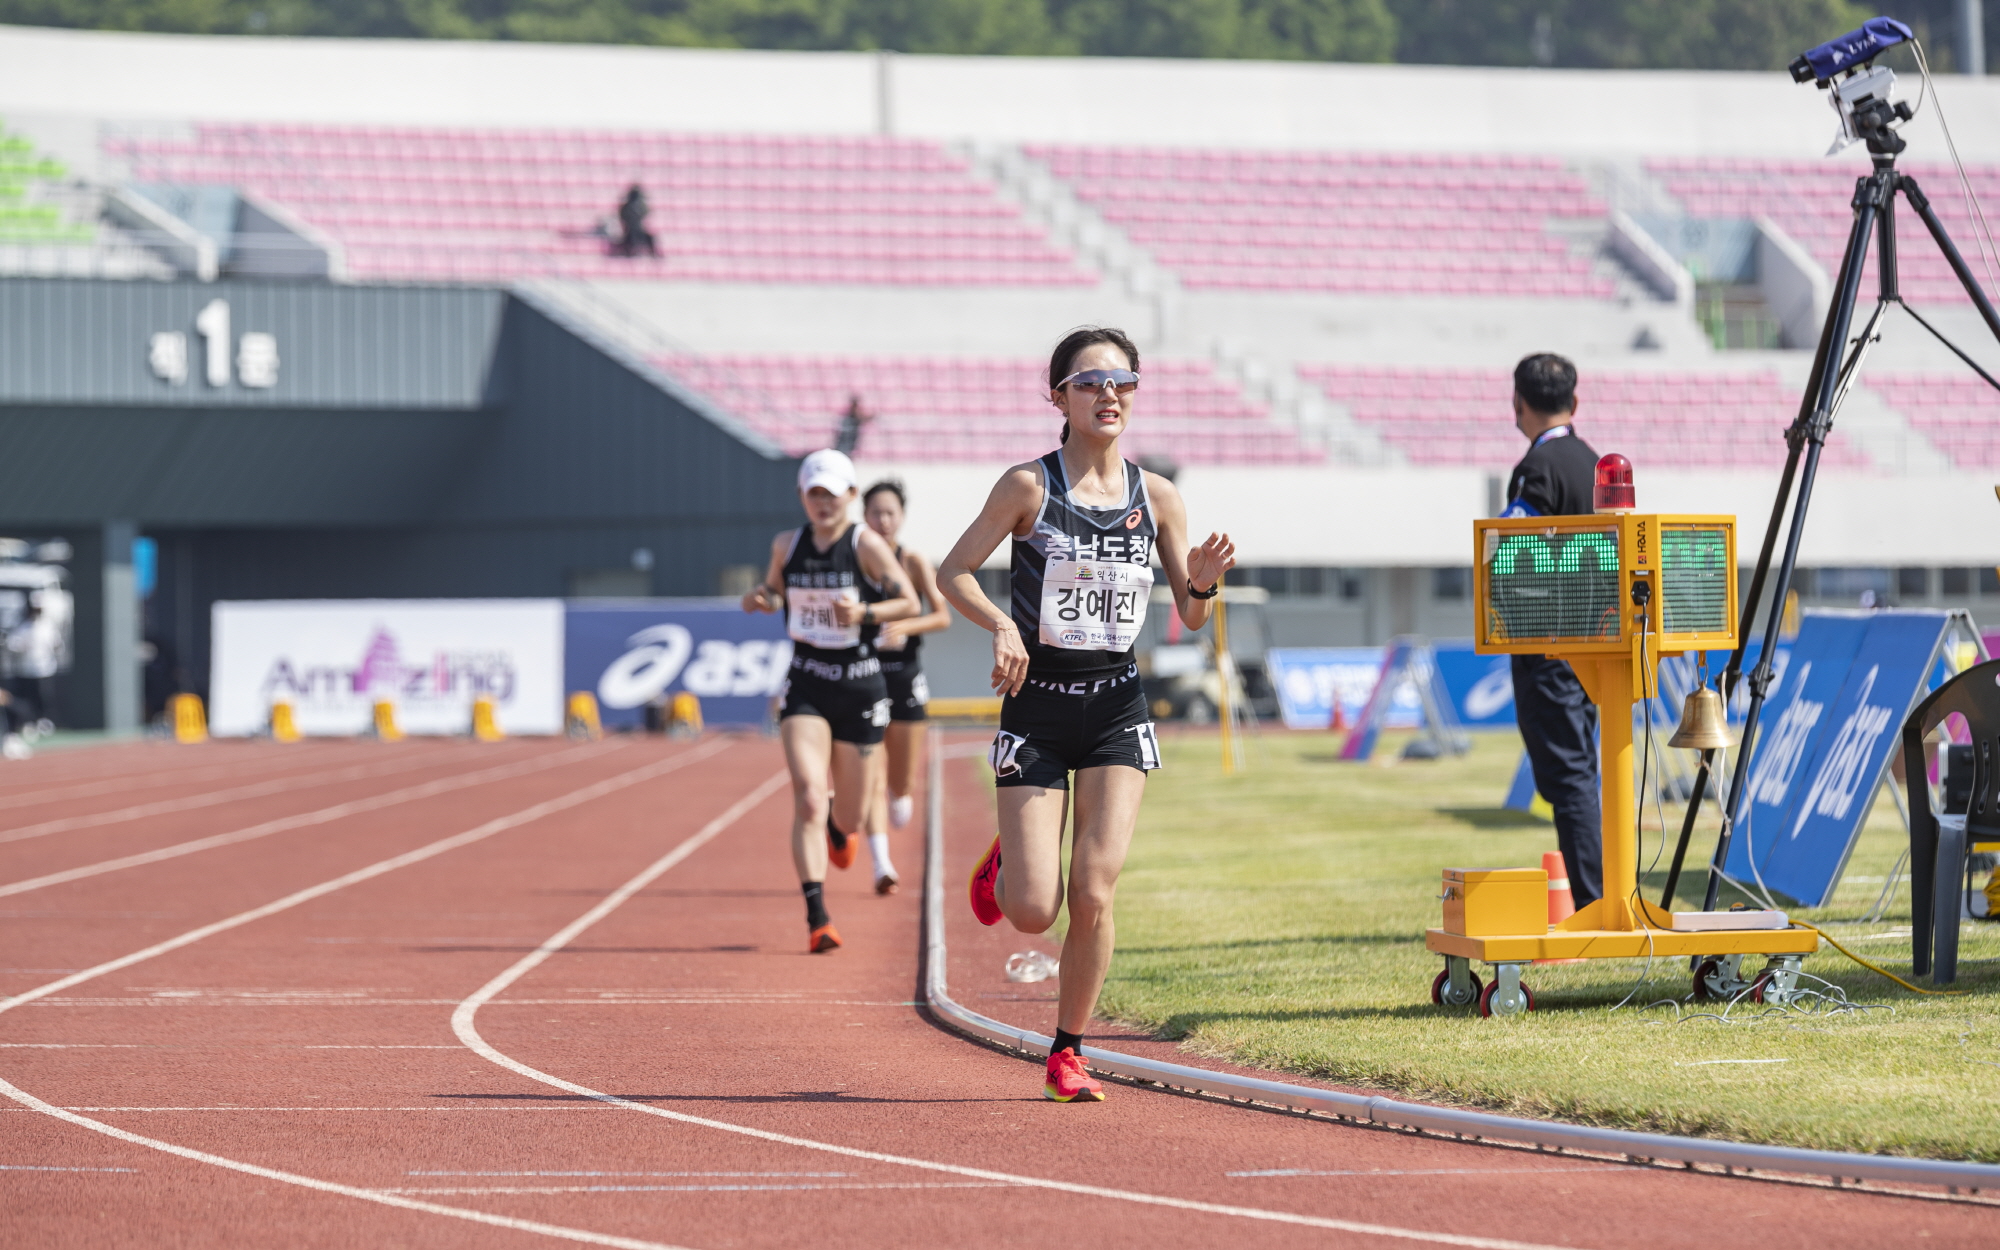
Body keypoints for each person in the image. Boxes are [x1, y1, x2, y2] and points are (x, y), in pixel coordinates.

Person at [938, 326, 1235, 1102]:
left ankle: (1067, 1051)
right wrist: (1001, 626)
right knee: (1035, 912)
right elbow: (953, 571)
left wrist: (1203, 583)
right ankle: (1007, 865)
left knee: (1095, 892)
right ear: (1058, 397)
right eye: (1092, 382)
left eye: (1123, 382)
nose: (1109, 394)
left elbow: (1193, 615)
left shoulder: (1157, 496)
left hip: (1115, 711)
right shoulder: (1026, 488)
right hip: (1035, 711)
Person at [743, 448, 918, 952]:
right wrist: (761, 599)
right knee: (808, 797)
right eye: (814, 493)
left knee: (850, 818)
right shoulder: (787, 544)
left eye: (832, 494)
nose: (823, 503)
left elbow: (908, 601)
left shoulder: (866, 544)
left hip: (861, 686)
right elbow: (774, 591)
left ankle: (841, 825)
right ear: (802, 495)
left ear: (851, 495)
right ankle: (817, 917)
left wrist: (864, 613)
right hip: (807, 683)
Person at [1501, 351, 1604, 910]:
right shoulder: (1595, 463)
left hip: (1550, 647)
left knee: (1569, 781)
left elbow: (1516, 552)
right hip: (1595, 645)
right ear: (1575, 401)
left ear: (1518, 402)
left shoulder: (1537, 468)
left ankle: (1594, 904)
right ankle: (1601, 896)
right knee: (1582, 774)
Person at [861, 479, 954, 863]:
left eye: (890, 513)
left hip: (905, 675)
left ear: (901, 517)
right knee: (869, 770)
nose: (883, 520)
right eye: (876, 513)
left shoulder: (913, 561)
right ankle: (880, 860)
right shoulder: (854, 560)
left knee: (901, 783)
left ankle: (897, 793)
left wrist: (905, 626)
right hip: (864, 674)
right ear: (864, 516)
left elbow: (942, 616)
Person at [616, 184, 659, 259]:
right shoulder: (625, 207)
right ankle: (628, 254)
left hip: (640, 230)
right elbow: (623, 218)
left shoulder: (642, 206)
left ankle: (653, 255)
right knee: (630, 239)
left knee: (650, 238)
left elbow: (645, 214)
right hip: (629, 231)